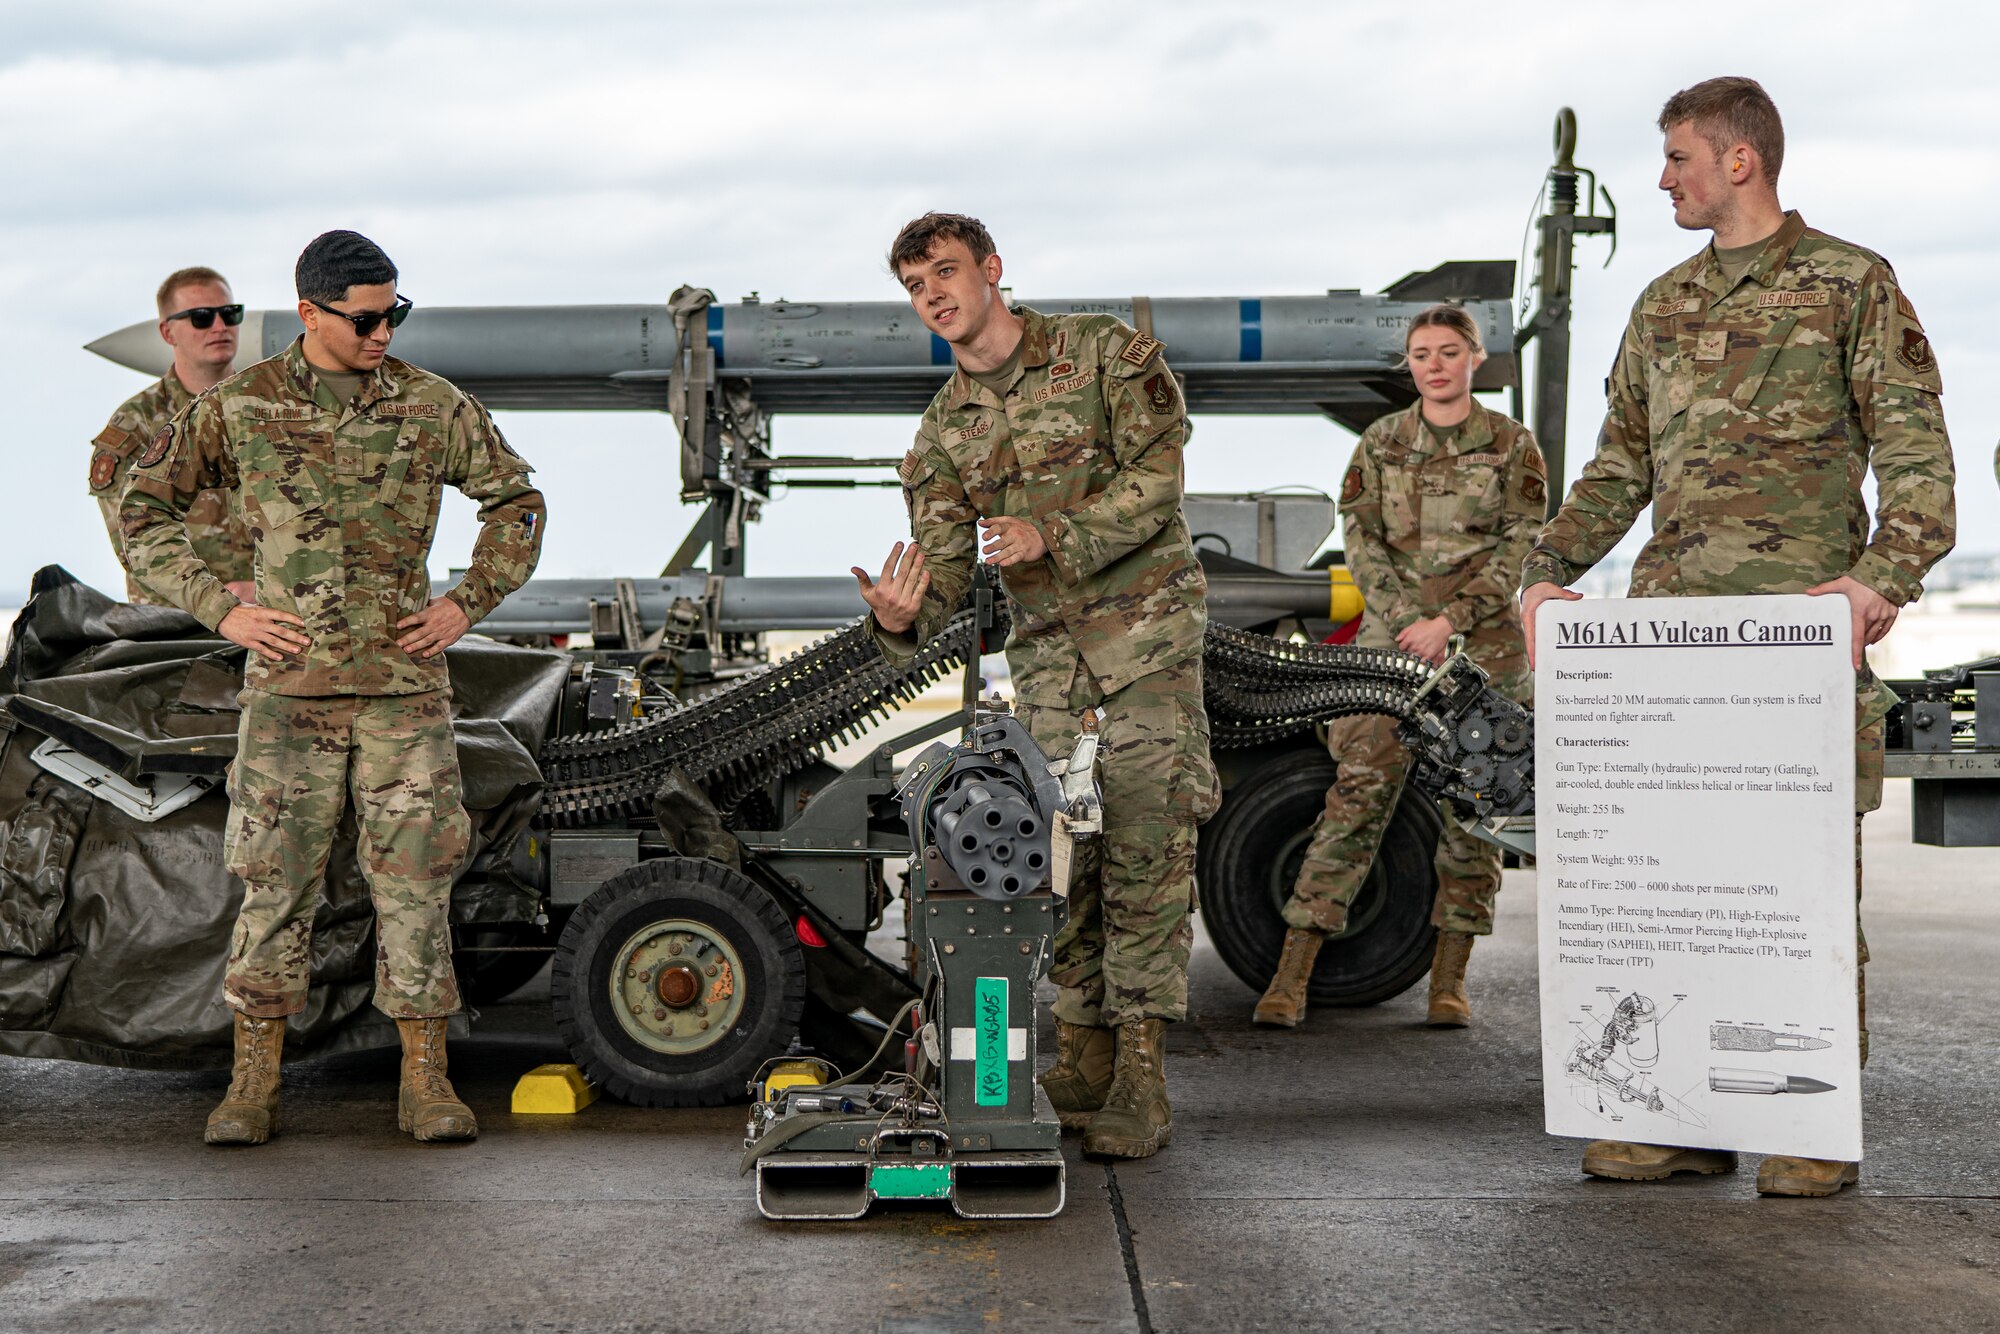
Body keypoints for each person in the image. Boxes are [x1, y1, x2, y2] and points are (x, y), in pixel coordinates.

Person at [1520, 77, 1955, 1197]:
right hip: (1668, 656)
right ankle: (1679, 1117)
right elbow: (1617, 466)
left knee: (1792, 887)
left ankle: (1810, 1119)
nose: (1661, 178)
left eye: (1675, 158)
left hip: (1789, 651)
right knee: (1672, 887)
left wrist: (1878, 579)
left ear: (1738, 162)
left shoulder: (1850, 285)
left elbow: (1916, 462)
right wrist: (1541, 575)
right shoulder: (1661, 305)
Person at [122, 230, 547, 1147]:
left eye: (395, 313)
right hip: (287, 697)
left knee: (417, 883)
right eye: (364, 318)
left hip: (403, 693)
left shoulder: (434, 407)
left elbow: (515, 499)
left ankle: (426, 1082)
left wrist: (466, 603)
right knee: (274, 884)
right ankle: (252, 1086)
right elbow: (142, 509)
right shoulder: (240, 408)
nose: (383, 331)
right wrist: (220, 610)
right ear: (310, 312)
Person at [853, 213, 1218, 1160]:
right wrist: (899, 619)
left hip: (1143, 652)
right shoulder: (941, 435)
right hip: (1053, 674)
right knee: (1071, 867)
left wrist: (1053, 537)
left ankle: (1143, 1083)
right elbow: (942, 582)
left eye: (946, 272)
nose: (935, 294)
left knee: (1144, 856)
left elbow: (1160, 480)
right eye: (916, 285)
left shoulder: (1098, 354)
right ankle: (1088, 1061)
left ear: (992, 271)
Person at [1253, 305, 1544, 1030]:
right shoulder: (1382, 444)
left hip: (1482, 652)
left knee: (1472, 816)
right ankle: (1293, 974)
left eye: (1450, 351)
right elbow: (1363, 541)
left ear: (1475, 358)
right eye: (1421, 354)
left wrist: (1451, 622)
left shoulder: (1512, 445)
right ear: (1408, 365)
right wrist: (1411, 627)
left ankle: (1450, 979)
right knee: (1356, 798)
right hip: (1392, 654)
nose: (1435, 364)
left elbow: (1522, 543)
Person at [90, 267, 255, 604]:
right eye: (201, 318)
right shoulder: (136, 425)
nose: (220, 327)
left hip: (273, 621)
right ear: (168, 332)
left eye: (229, 314)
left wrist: (264, 590)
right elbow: (135, 543)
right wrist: (219, 604)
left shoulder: (268, 409)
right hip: (176, 628)